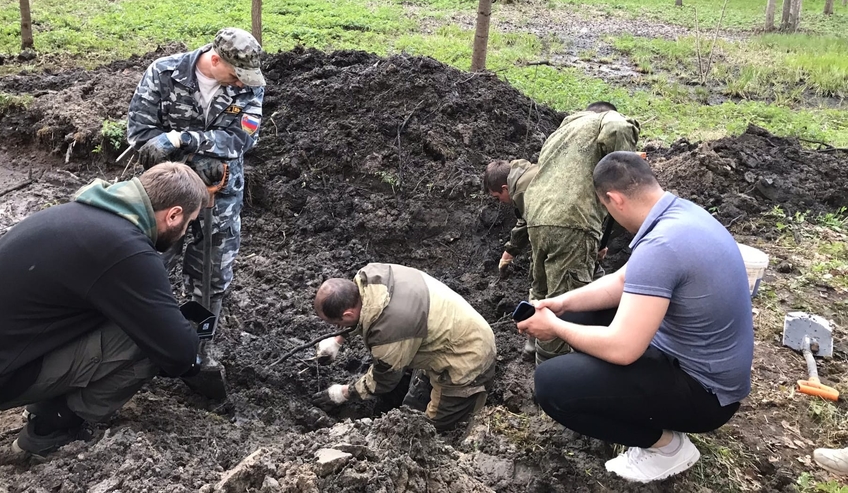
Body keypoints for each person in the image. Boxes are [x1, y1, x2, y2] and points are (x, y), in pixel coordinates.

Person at [517, 151, 754, 483]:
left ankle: (666, 447)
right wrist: (560, 304)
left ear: (614, 199)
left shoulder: (661, 246)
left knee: (552, 385)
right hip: (701, 367)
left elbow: (623, 348)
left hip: (708, 397)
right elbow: (620, 281)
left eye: (606, 208)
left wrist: (554, 327)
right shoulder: (680, 216)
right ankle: (638, 404)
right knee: (582, 315)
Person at [0, 163, 209, 457]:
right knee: (148, 344)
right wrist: (194, 358)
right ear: (173, 215)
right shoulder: (125, 248)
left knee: (128, 319)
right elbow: (176, 351)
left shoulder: (86, 213)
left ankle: (45, 398)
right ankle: (50, 427)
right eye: (189, 223)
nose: (186, 231)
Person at [127, 27, 265, 326]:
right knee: (148, 266)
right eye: (236, 74)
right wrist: (190, 162)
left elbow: (242, 140)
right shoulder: (163, 73)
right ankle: (144, 339)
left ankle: (199, 346)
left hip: (220, 194)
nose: (242, 82)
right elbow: (141, 135)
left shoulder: (249, 85)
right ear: (215, 60)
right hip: (164, 194)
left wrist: (182, 139)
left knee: (212, 276)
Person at [484, 101, 640, 360]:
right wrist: (625, 163)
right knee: (566, 301)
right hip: (572, 222)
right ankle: (552, 369)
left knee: (544, 290)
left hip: (539, 220)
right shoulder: (605, 121)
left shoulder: (563, 130)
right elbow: (616, 128)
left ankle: (534, 348)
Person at [311, 263, 496, 433]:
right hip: (446, 330)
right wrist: (337, 340)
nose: (336, 328)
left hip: (468, 356)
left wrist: (343, 393)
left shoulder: (389, 332)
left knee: (433, 432)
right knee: (411, 410)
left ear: (347, 314)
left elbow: (383, 379)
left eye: (335, 324)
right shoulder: (369, 276)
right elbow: (360, 312)